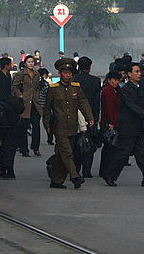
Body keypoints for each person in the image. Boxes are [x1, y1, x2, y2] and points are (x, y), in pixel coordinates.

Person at [103, 62, 144, 187]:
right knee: (123, 153)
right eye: (136, 72)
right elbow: (132, 106)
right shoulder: (126, 89)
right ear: (129, 74)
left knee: (143, 153)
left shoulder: (140, 87)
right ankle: (110, 175)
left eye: (140, 71)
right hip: (128, 127)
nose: (139, 74)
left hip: (138, 127)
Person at [43, 58, 94, 189]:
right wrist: (47, 125)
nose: (68, 75)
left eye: (70, 73)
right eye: (65, 73)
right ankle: (75, 176)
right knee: (67, 152)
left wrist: (90, 117)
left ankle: (56, 180)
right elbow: (47, 109)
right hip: (59, 127)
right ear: (60, 74)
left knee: (63, 154)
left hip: (72, 125)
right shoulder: (53, 89)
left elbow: (83, 103)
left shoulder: (76, 88)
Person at [73, 57, 101, 177]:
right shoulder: (95, 81)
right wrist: (94, 117)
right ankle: (87, 171)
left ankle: (75, 169)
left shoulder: (73, 79)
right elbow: (96, 102)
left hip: (75, 115)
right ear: (90, 67)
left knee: (75, 143)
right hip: (90, 116)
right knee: (88, 143)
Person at [12, 55, 43, 158]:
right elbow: (14, 86)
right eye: (29, 62)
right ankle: (24, 149)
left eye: (32, 62)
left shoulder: (36, 74)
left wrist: (37, 96)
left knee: (36, 127)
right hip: (24, 103)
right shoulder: (20, 74)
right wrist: (20, 95)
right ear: (25, 63)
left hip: (34, 103)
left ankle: (36, 148)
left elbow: (37, 87)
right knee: (23, 128)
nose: (31, 64)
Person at [0, 57, 15, 177]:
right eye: (10, 63)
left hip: (6, 108)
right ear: (6, 65)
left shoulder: (8, 76)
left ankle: (2, 167)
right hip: (0, 109)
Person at [98, 71, 121, 180]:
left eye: (118, 80)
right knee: (110, 148)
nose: (116, 82)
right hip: (110, 122)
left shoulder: (114, 89)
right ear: (109, 79)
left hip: (109, 121)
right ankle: (105, 171)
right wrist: (112, 122)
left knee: (108, 148)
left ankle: (104, 170)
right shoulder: (109, 91)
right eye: (115, 80)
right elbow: (111, 108)